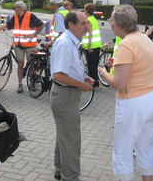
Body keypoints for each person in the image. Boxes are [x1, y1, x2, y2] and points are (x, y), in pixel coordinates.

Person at [98, 5, 153, 181]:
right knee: (147, 148)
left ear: (119, 24)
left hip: (135, 102)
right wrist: (117, 65)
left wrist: (103, 72)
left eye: (112, 20)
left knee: (123, 151)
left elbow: (119, 83)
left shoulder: (126, 44)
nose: (110, 23)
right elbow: (139, 67)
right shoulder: (144, 40)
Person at [50, 10, 94, 181]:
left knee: (65, 134)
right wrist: (81, 85)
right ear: (71, 25)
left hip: (67, 95)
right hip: (65, 95)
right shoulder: (65, 43)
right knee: (71, 138)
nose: (86, 26)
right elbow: (58, 75)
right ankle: (71, 176)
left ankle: (60, 169)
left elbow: (69, 69)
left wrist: (83, 77)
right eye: (83, 23)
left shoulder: (71, 41)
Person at [5, 1, 45, 93]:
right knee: (20, 63)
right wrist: (2, 27)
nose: (14, 9)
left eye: (15, 7)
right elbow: (8, 24)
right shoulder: (15, 17)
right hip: (18, 45)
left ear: (20, 8)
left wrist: (34, 34)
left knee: (31, 64)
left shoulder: (30, 16)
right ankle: (20, 84)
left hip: (30, 45)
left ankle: (32, 82)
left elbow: (41, 24)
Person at [82, 3, 102, 90]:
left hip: (91, 46)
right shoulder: (93, 19)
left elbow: (90, 33)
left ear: (86, 10)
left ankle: (94, 84)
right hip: (97, 45)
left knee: (91, 66)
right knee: (95, 64)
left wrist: (89, 46)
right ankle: (96, 82)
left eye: (84, 9)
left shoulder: (88, 20)